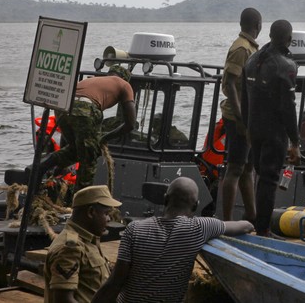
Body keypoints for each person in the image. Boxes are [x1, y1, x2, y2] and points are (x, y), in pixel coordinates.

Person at [91, 177, 253, 303]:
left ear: (165, 199)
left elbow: (114, 284)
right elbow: (245, 226)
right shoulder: (200, 228)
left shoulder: (134, 229)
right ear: (195, 206)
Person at [39, 65, 137, 193]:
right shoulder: (124, 85)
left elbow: (67, 138)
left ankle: (41, 167)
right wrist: (104, 138)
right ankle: (81, 205)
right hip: (84, 109)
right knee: (89, 159)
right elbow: (130, 124)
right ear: (125, 78)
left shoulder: (92, 80)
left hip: (62, 108)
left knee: (76, 150)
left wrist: (63, 165)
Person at [243, 19, 300, 236]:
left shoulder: (252, 59)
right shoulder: (285, 66)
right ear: (289, 39)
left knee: (261, 176)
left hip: (254, 128)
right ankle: (263, 229)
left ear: (269, 35)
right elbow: (288, 108)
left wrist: (247, 127)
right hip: (273, 131)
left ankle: (261, 225)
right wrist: (295, 141)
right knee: (269, 179)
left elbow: (244, 97)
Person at [219, 7, 262, 222]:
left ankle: (252, 217)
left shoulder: (250, 48)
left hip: (249, 117)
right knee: (235, 168)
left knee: (248, 168)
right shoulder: (242, 49)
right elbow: (230, 85)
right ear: (258, 25)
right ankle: (226, 222)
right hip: (239, 118)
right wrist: (241, 120)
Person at [45, 185, 121, 303]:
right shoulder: (70, 247)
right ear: (91, 212)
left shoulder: (88, 241)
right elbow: (63, 300)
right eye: (106, 213)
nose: (109, 219)